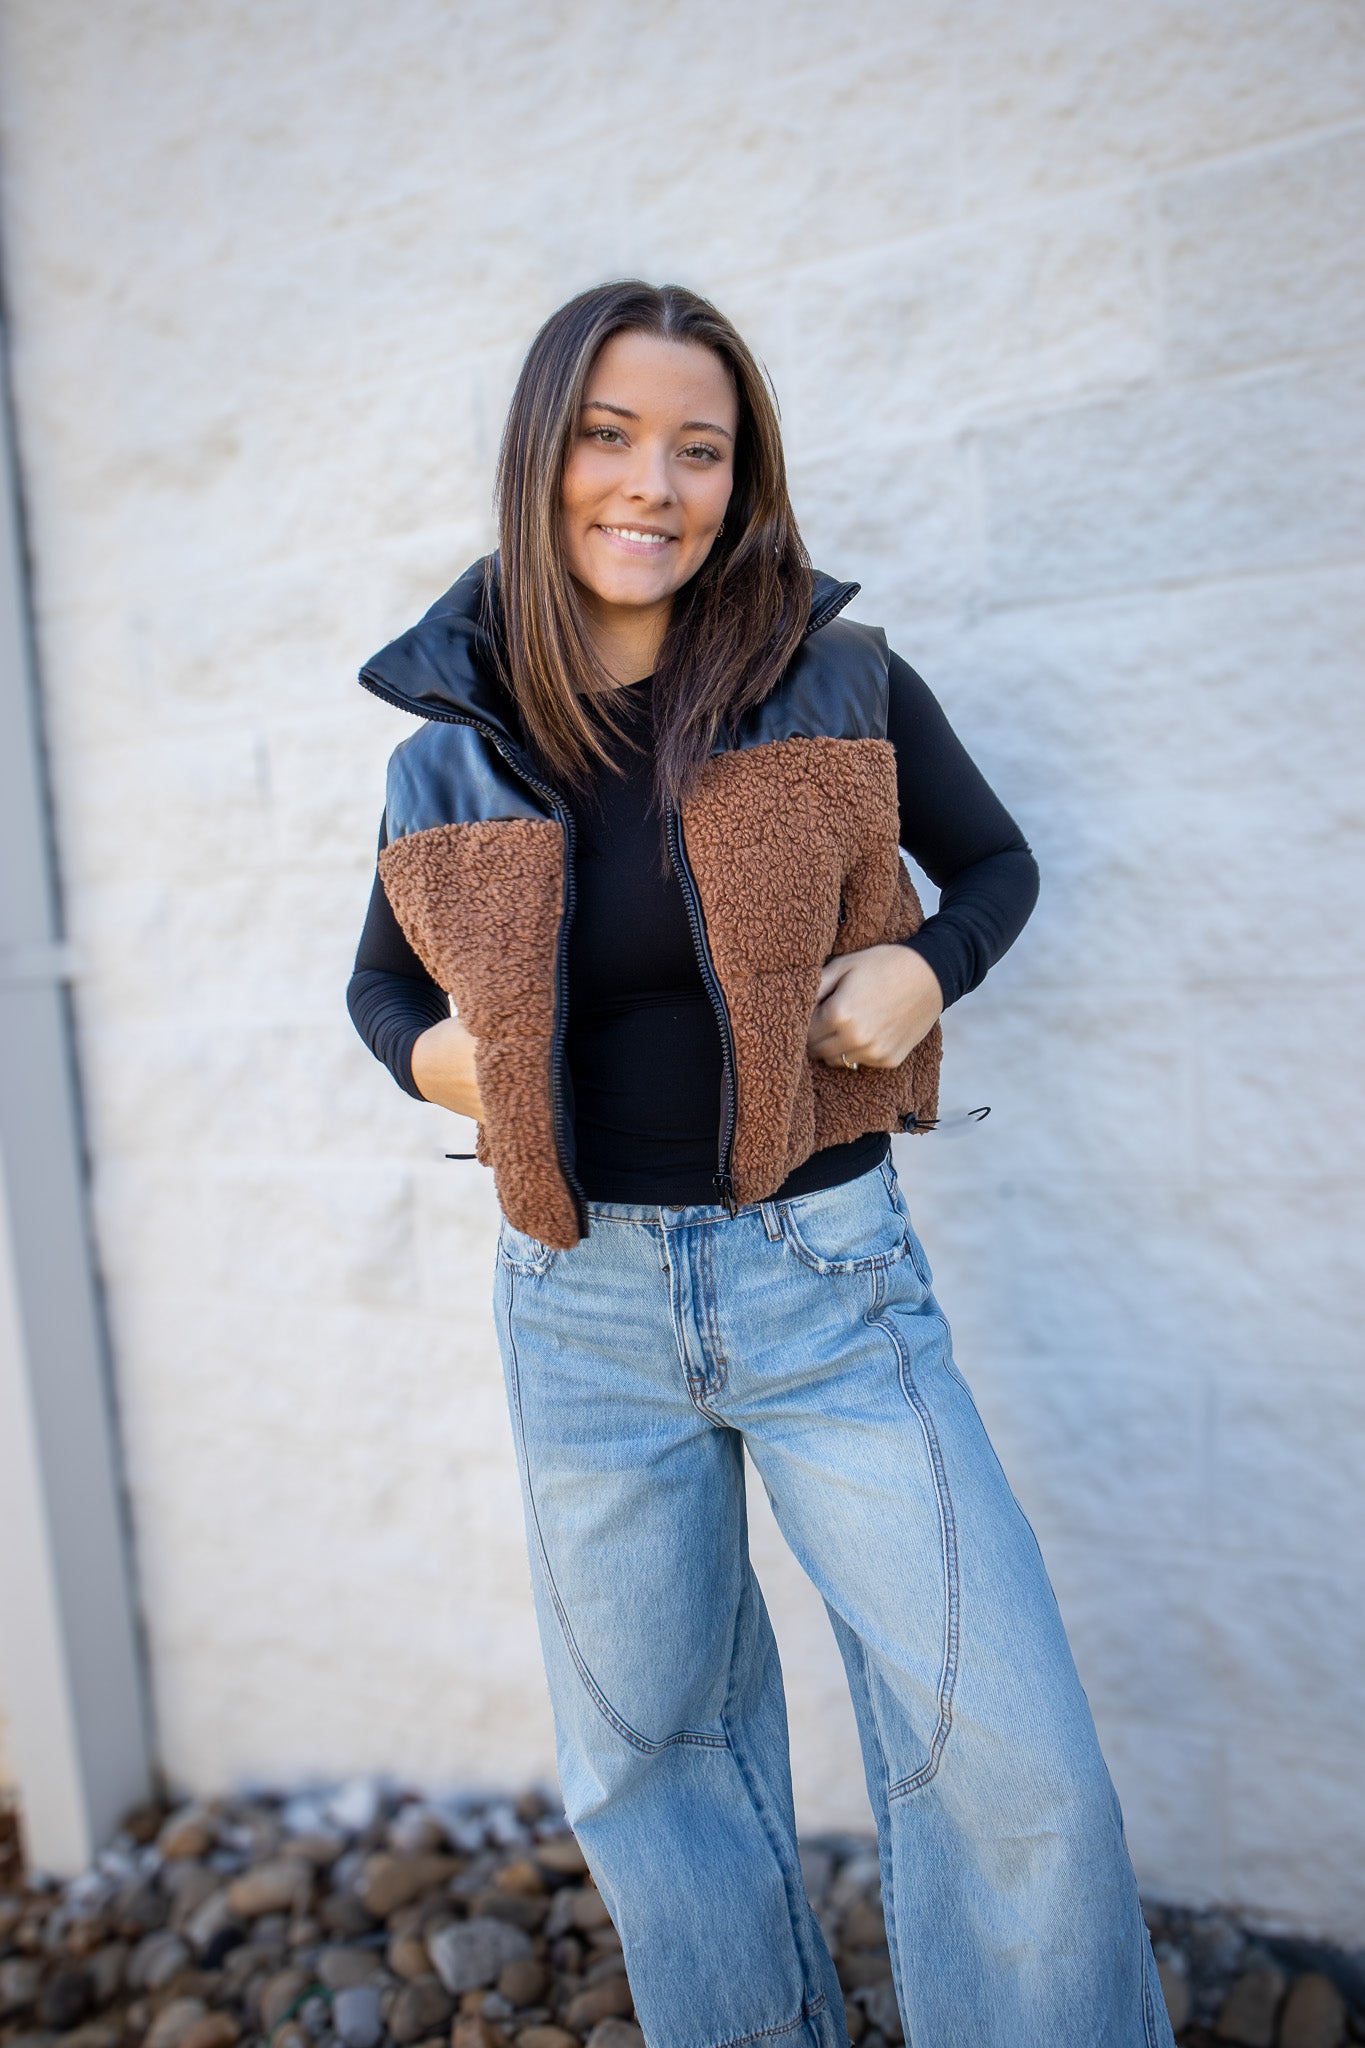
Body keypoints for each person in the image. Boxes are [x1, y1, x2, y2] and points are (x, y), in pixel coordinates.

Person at [347, 281, 1174, 2048]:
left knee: (1008, 1749)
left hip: (830, 1287)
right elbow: (379, 990)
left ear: (741, 476)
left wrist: (920, 969)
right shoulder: (450, 739)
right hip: (577, 1318)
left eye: (697, 449)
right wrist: (443, 1059)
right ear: (540, 455)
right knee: (654, 1768)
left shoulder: (833, 675)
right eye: (607, 435)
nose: (651, 483)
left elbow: (996, 865)